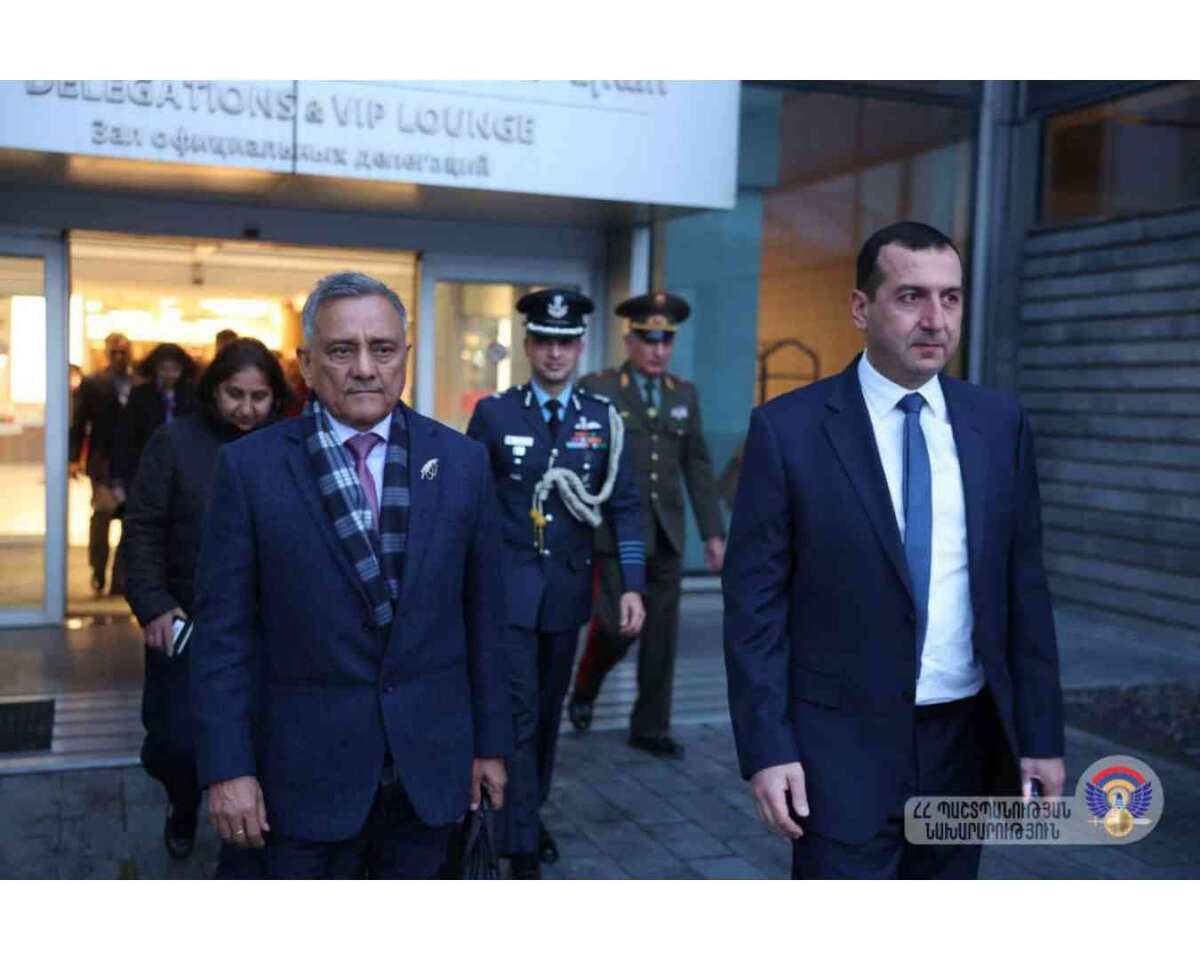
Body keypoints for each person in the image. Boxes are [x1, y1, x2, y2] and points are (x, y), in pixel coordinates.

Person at [722, 222, 1066, 880]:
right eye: (912, 296)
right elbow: (754, 607)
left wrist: (1041, 737)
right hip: (837, 747)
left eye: (951, 298)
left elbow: (1025, 589)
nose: (936, 319)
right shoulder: (788, 431)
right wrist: (767, 747)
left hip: (963, 739)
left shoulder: (999, 425)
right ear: (861, 308)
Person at [190, 272, 510, 880]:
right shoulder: (250, 469)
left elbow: (486, 621)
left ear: (405, 357)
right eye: (342, 350)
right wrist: (228, 768)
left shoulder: (463, 463)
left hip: (429, 774)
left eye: (382, 349)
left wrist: (491, 744)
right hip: (301, 783)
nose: (364, 368)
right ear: (306, 364)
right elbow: (222, 637)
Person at [467, 289, 646, 879]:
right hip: (509, 593)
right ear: (527, 345)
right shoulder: (495, 414)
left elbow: (625, 505)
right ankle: (517, 844)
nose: (554, 354)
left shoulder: (602, 418)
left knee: (546, 715)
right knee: (518, 712)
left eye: (565, 343)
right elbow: (469, 505)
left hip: (567, 595)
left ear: (581, 347)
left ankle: (528, 812)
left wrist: (631, 584)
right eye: (544, 341)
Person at [123, 337, 290, 874]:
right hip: (187, 621)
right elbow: (142, 528)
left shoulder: (287, 447)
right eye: (235, 394)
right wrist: (154, 605)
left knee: (257, 739)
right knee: (176, 743)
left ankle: (243, 847)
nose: (247, 409)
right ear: (213, 390)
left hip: (265, 627)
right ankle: (183, 801)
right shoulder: (174, 443)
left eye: (259, 397)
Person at [568, 292, 726, 758]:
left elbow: (697, 466)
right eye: (648, 340)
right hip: (615, 535)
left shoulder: (684, 394)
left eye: (665, 341)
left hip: (667, 534)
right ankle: (586, 684)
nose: (658, 350)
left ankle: (651, 726)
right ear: (630, 340)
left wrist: (713, 533)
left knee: (662, 638)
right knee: (618, 628)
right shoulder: (599, 389)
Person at [69, 332, 133, 596]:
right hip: (103, 460)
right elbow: (80, 422)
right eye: (113, 352)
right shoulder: (94, 383)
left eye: (123, 352)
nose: (118, 357)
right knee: (103, 514)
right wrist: (73, 458)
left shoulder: (139, 383)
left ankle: (120, 578)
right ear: (106, 353)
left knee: (131, 520)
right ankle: (98, 570)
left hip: (134, 462)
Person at [113, 343, 198, 495]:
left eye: (174, 369)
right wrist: (119, 475)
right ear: (155, 369)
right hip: (146, 464)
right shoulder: (141, 394)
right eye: (164, 369)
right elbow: (126, 435)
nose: (169, 374)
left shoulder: (192, 395)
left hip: (184, 466)